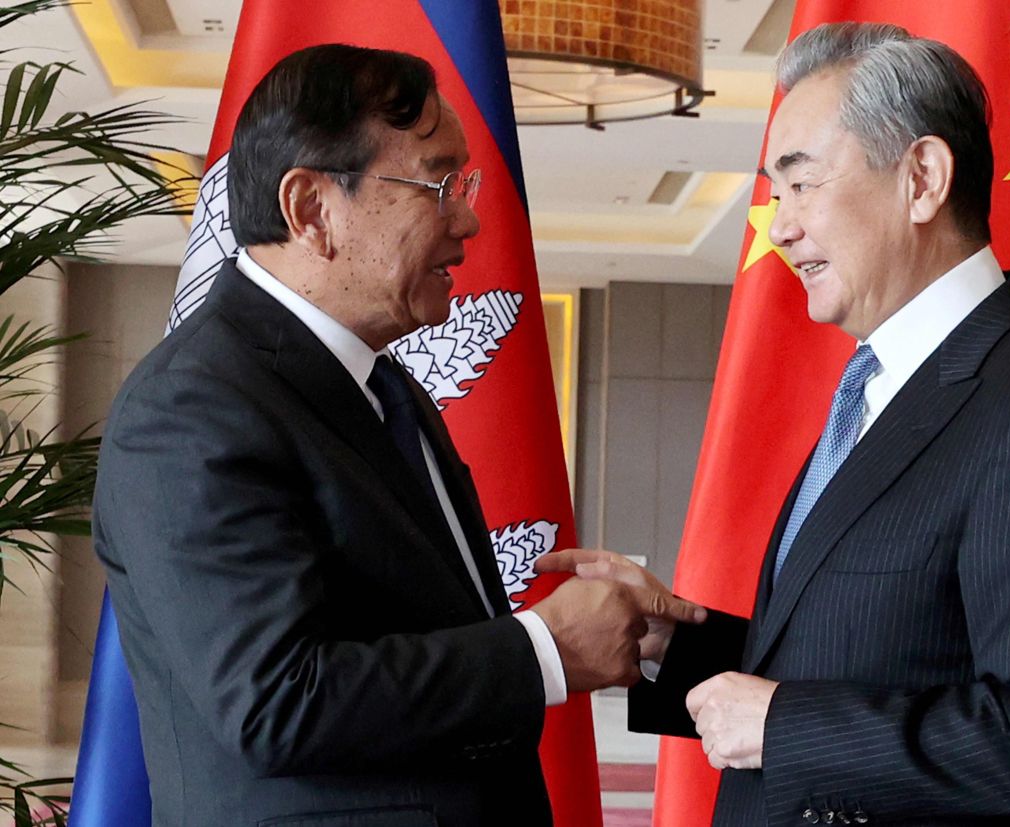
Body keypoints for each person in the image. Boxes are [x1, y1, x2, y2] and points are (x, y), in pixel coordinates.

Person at [538, 22, 1010, 827]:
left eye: (801, 183)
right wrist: (674, 644)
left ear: (922, 178)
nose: (778, 225)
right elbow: (870, 651)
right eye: (774, 190)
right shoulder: (881, 383)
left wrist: (783, 725)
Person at [92, 44, 702, 827]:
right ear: (311, 209)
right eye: (439, 182)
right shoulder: (191, 407)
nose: (470, 217)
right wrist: (544, 650)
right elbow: (274, 702)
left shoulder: (382, 383)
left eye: (466, 184)